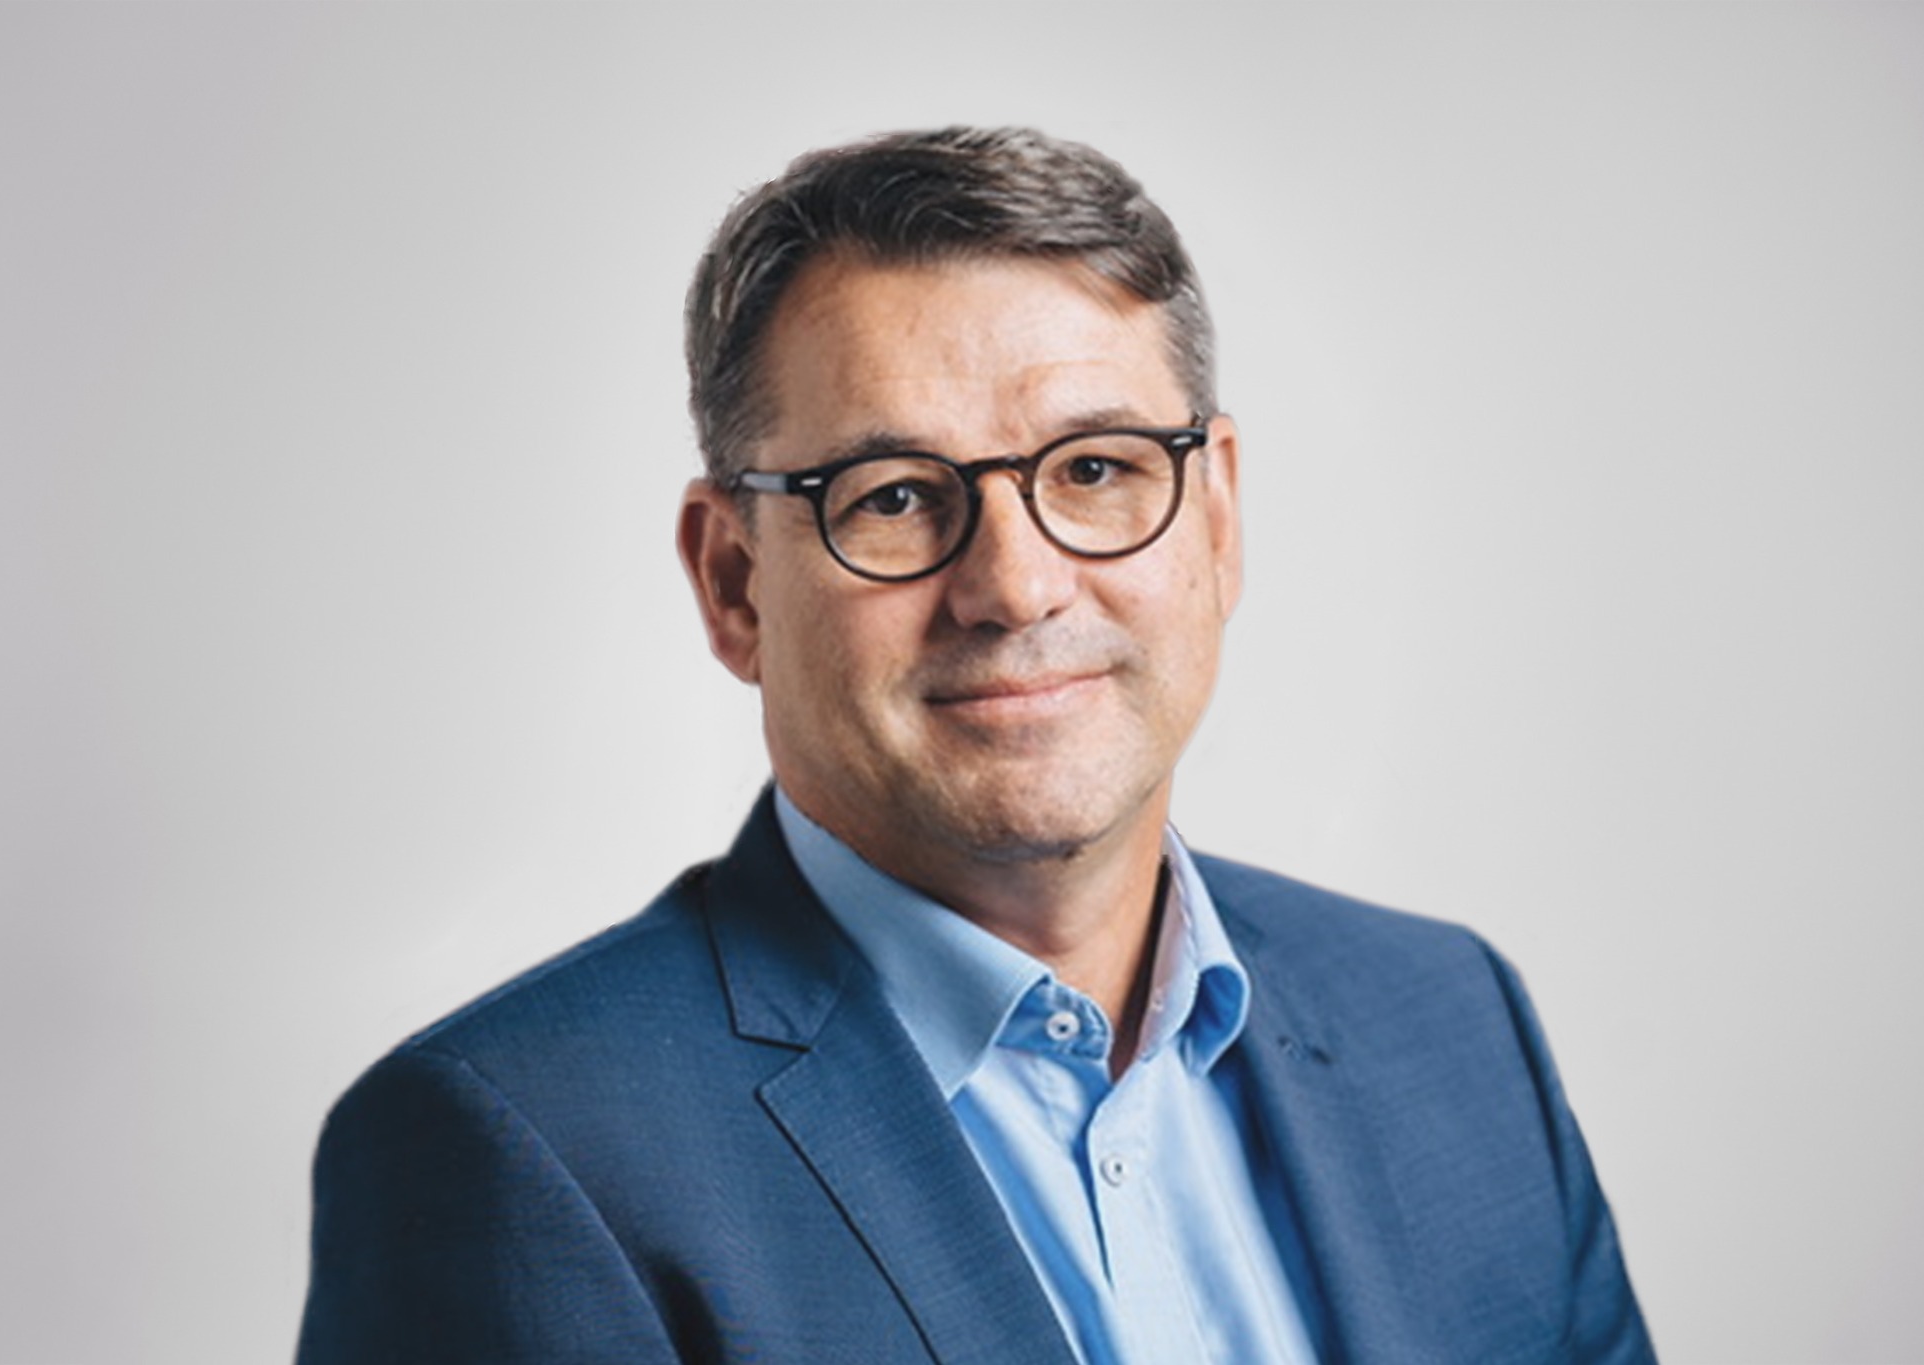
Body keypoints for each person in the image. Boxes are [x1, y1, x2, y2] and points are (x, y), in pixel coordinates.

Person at [295, 126, 1655, 1365]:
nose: (1016, 586)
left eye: (1097, 469)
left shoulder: (1453, 1021)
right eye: (893, 497)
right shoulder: (514, 1153)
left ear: (1218, 518)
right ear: (734, 582)